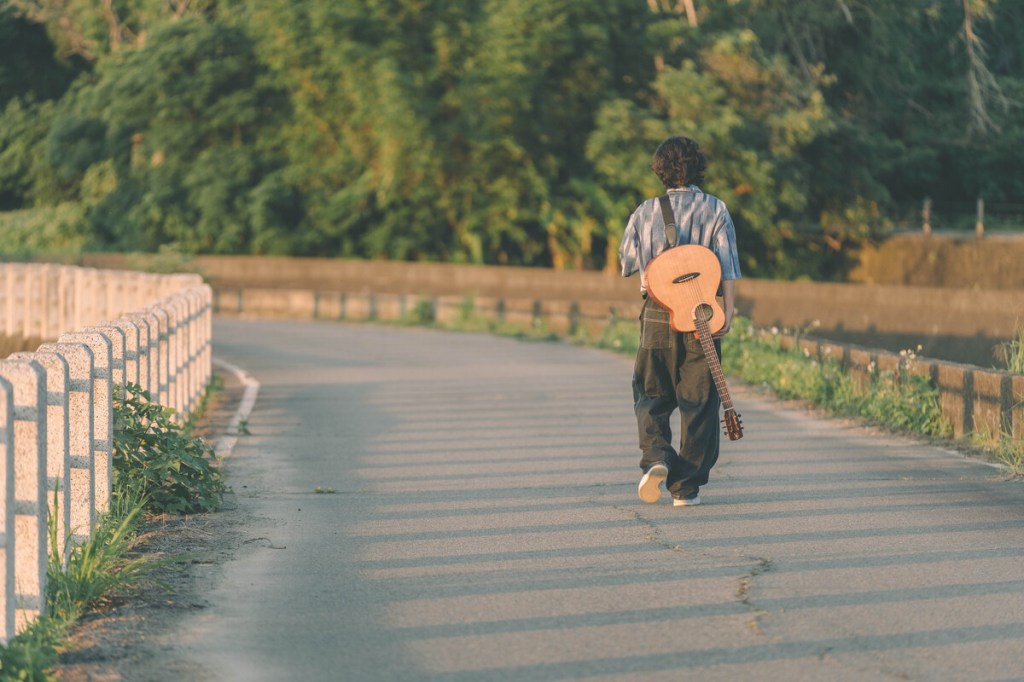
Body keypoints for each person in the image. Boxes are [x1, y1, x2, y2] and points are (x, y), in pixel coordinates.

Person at [618, 135, 742, 507]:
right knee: (700, 400)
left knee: (651, 392)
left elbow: (627, 262)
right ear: (698, 167)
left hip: (658, 311)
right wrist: (728, 309)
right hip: (703, 314)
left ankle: (656, 456)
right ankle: (685, 487)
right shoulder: (716, 208)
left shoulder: (644, 211)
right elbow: (728, 264)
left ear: (660, 170)